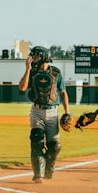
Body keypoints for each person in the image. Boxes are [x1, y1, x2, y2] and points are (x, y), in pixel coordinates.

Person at [19, 46, 70, 183]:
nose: (32, 59)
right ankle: (38, 175)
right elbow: (22, 87)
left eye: (35, 56)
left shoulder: (56, 73)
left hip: (53, 111)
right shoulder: (32, 72)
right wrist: (28, 69)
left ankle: (49, 168)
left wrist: (67, 112)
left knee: (54, 146)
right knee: (36, 140)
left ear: (43, 57)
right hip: (37, 111)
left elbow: (63, 93)